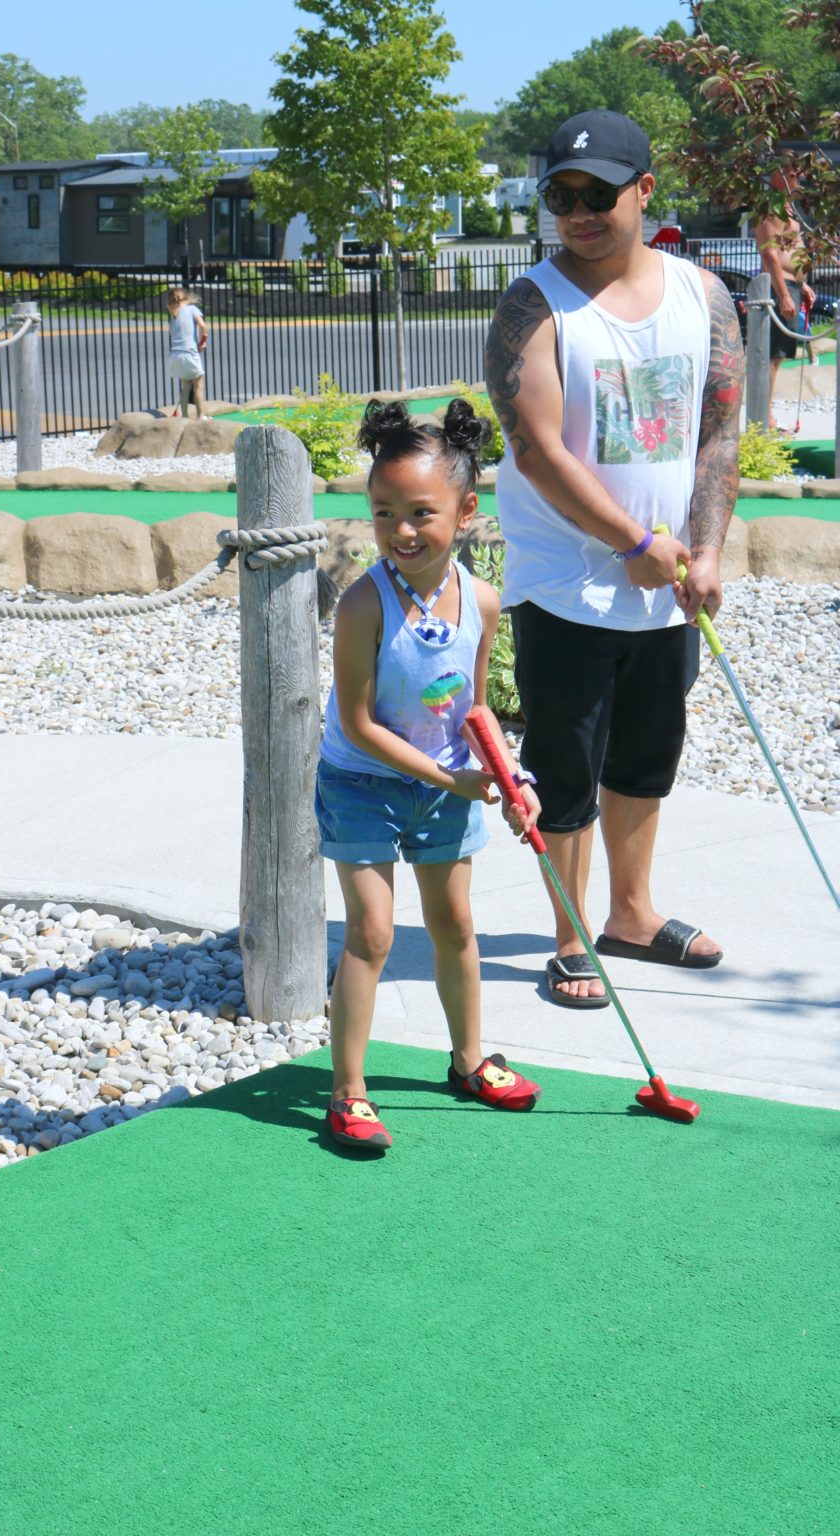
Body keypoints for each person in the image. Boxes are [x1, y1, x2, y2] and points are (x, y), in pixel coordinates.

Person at [484, 109, 743, 1009]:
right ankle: (569, 937)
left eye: (599, 194)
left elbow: (718, 429)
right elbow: (536, 447)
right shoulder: (533, 304)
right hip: (567, 586)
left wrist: (703, 547)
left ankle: (631, 916)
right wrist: (632, 540)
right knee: (567, 768)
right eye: (562, 195)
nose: (580, 212)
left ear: (646, 190)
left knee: (646, 756)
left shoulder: (703, 296)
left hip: (667, 587)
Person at [316, 398, 543, 1152]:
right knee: (373, 934)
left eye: (420, 512)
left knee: (454, 925)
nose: (400, 532)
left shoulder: (481, 600)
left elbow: (476, 713)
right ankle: (348, 1092)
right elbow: (359, 723)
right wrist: (454, 783)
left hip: (445, 784)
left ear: (467, 509)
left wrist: (514, 781)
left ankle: (469, 1060)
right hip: (362, 785)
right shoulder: (362, 605)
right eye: (383, 513)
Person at [753, 167, 817, 430]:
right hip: (777, 288)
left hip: (791, 285)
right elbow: (770, 254)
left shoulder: (789, 209)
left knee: (778, 356)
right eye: (792, 174)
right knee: (771, 355)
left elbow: (790, 250)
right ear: (776, 175)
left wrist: (801, 285)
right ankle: (764, 419)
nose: (798, 179)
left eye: (799, 174)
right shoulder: (771, 208)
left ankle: (767, 416)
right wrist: (782, 295)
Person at [165, 287, 208, 418]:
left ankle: (184, 417)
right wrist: (203, 340)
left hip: (175, 355)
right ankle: (201, 416)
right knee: (198, 386)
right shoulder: (192, 309)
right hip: (189, 353)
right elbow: (202, 325)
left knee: (186, 387)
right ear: (186, 298)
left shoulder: (174, 316)